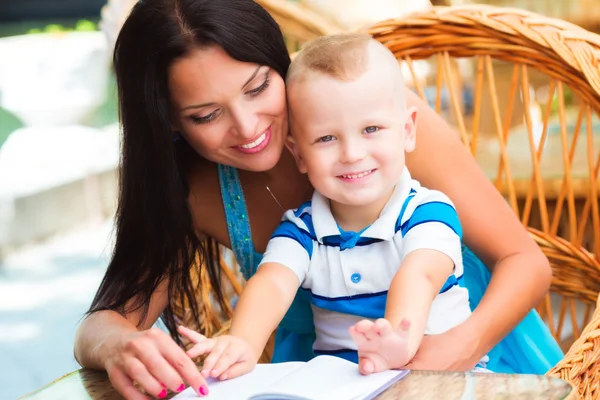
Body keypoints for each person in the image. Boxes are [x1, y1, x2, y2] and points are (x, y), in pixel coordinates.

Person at [73, 0, 562, 399]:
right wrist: (119, 344)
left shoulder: (386, 133)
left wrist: (449, 352)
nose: (248, 128)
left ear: (279, 63)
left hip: (477, 350)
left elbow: (526, 262)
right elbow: (102, 323)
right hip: (331, 379)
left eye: (259, 87)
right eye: (205, 115)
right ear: (170, 125)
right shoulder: (195, 190)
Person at [183, 33, 491, 381]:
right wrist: (243, 342)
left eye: (371, 129)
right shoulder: (302, 231)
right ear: (298, 153)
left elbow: (420, 275)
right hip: (345, 387)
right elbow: (273, 283)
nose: (351, 154)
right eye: (327, 138)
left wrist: (396, 338)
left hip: (443, 381)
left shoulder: (426, 212)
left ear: (406, 130)